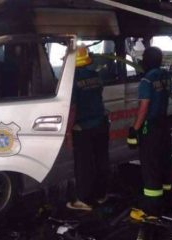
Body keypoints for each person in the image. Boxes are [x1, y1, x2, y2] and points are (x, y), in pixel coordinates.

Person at [127, 47, 172, 220]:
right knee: (163, 163)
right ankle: (166, 200)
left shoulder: (146, 80)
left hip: (150, 127)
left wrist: (135, 129)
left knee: (150, 166)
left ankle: (151, 210)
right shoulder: (164, 75)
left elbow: (144, 106)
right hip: (164, 124)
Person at [66, 46, 110, 211]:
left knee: (83, 164)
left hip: (82, 127)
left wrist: (69, 131)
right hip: (101, 123)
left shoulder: (73, 79)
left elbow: (72, 108)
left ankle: (84, 200)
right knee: (101, 160)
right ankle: (101, 195)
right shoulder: (96, 76)